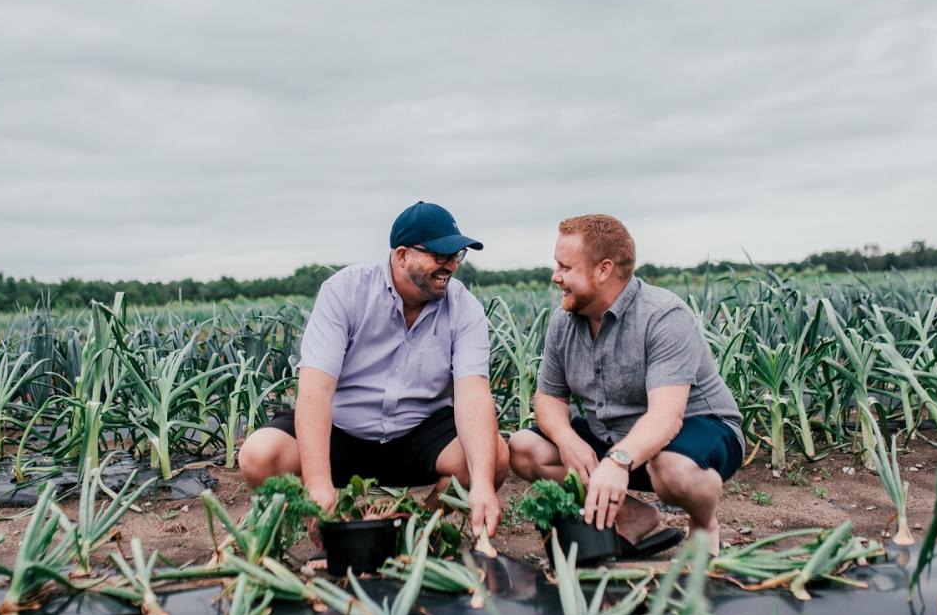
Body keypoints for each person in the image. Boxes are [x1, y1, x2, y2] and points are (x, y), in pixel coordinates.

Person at [239, 201, 508, 537]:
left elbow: (473, 395)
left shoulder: (464, 308)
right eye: (440, 256)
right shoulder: (345, 291)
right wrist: (318, 482)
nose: (451, 265)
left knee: (493, 456)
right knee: (258, 456)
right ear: (401, 255)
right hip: (342, 430)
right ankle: (328, 524)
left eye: (457, 256)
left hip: (417, 433)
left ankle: (418, 527)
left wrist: (482, 485)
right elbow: (315, 390)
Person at [508, 214, 744, 553]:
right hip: (612, 436)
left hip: (695, 431)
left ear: (603, 270)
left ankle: (705, 525)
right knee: (524, 448)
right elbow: (548, 399)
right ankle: (634, 516)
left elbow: (666, 417)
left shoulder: (662, 317)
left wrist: (618, 461)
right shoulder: (563, 321)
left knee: (672, 469)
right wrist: (566, 439)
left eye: (565, 267)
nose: (555, 276)